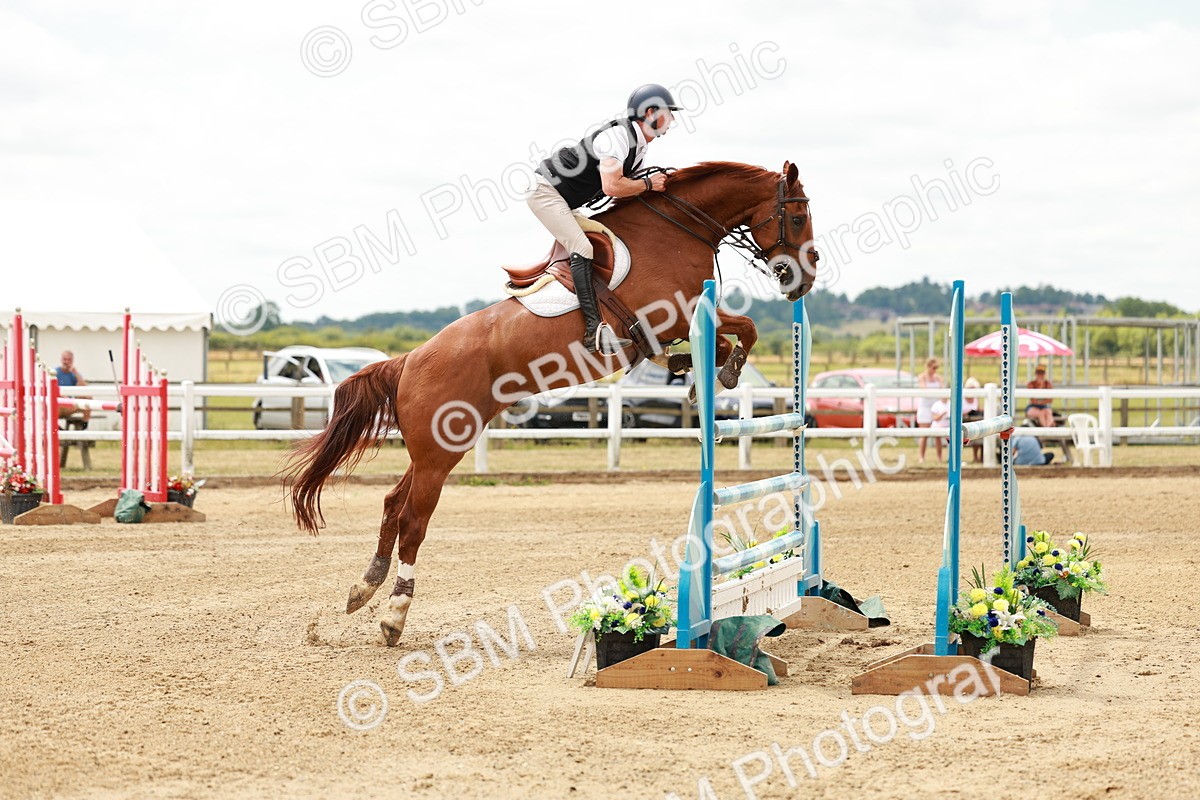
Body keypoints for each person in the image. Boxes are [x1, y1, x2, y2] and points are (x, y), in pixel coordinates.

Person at [527, 84, 680, 354]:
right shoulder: (618, 137)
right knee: (583, 248)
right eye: (669, 113)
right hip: (545, 193)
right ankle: (592, 331)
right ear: (650, 112)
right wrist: (648, 185)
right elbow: (613, 188)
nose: (673, 120)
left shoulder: (639, 147)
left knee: (613, 240)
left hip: (565, 200)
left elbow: (634, 191)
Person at [916, 357, 944, 463]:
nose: (935, 370)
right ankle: (921, 457)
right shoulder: (922, 377)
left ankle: (939, 458)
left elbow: (942, 390)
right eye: (934, 367)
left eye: (937, 368)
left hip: (936, 407)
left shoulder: (938, 378)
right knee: (924, 434)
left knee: (938, 434)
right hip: (925, 407)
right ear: (928, 366)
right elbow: (923, 389)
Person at [54, 350, 90, 423]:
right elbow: (51, 390)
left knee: (88, 398)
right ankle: (57, 428)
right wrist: (63, 396)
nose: (66, 362)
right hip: (58, 405)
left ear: (72, 361)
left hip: (70, 405)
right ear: (61, 360)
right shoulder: (55, 372)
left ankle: (84, 426)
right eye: (65, 359)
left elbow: (84, 389)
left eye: (69, 359)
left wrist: (76, 373)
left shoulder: (73, 373)